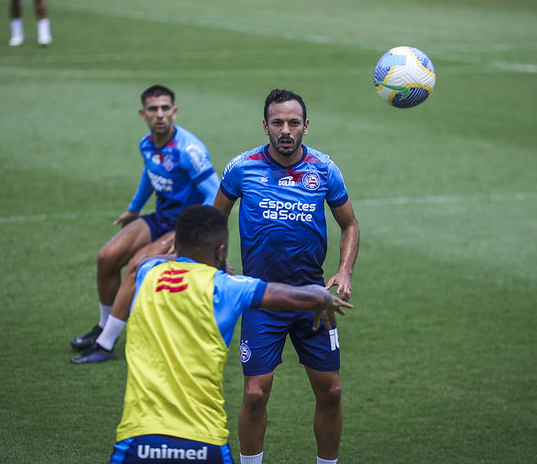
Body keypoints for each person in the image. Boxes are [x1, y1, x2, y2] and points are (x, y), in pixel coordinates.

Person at [109, 205, 353, 464]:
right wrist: (321, 299)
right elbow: (304, 295)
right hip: (204, 444)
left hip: (139, 442)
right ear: (220, 251)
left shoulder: (148, 275)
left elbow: (145, 262)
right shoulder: (229, 287)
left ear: (177, 245)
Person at [213, 89, 360, 464]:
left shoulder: (324, 169)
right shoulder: (241, 167)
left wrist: (344, 271)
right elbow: (215, 221)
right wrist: (217, 262)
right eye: (277, 122)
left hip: (313, 299)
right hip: (262, 298)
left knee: (331, 392)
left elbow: (350, 225)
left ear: (306, 126)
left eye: (293, 123)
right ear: (265, 126)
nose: (285, 130)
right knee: (255, 394)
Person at [70, 85, 220, 364]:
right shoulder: (146, 144)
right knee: (107, 257)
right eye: (153, 109)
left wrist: (192, 233)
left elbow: (216, 191)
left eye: (165, 108)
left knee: (137, 267)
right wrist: (133, 209)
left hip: (185, 224)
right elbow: (149, 175)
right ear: (143, 114)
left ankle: (105, 345)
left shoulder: (189, 150)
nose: (160, 114)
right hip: (160, 217)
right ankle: (103, 326)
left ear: (174, 112)